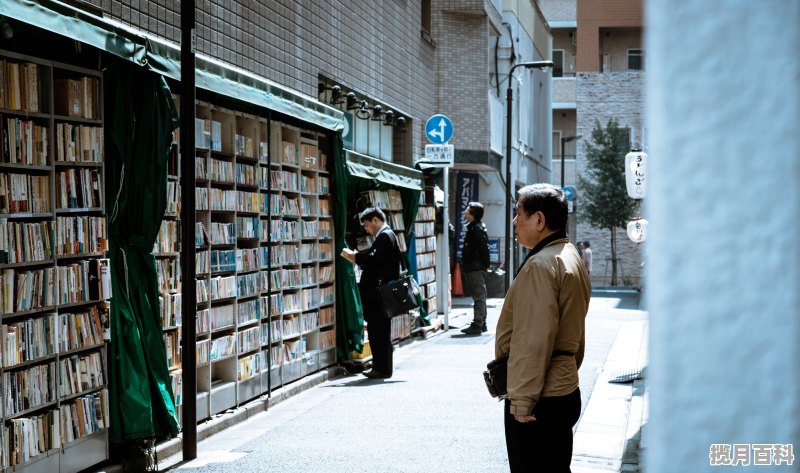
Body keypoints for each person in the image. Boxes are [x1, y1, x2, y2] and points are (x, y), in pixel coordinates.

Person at [494, 183, 591, 472]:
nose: (514, 221)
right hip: (563, 386)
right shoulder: (569, 255)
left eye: (518, 213)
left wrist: (523, 400)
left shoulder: (541, 264)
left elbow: (532, 339)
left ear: (538, 220)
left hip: (539, 396)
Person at [340, 207, 400, 379]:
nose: (366, 229)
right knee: (379, 331)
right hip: (379, 294)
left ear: (375, 220)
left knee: (378, 331)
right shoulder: (387, 236)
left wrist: (356, 257)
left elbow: (375, 260)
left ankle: (382, 368)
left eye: (367, 225)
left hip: (378, 295)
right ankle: (381, 366)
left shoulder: (385, 236)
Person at [460, 202, 491, 335]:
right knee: (480, 295)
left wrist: (486, 264)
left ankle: (477, 324)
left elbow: (483, 248)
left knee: (478, 296)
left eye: (468, 210)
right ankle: (482, 323)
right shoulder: (475, 227)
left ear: (473, 214)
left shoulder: (476, 229)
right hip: (476, 266)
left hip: (476, 267)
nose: (465, 212)